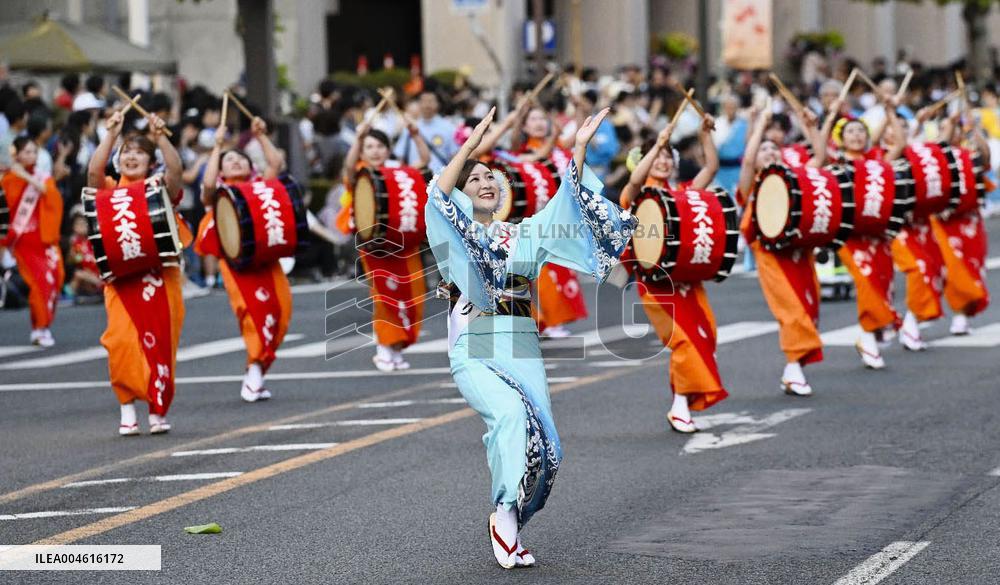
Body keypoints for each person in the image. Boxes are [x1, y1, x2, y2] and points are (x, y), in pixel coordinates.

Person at [425, 106, 636, 569]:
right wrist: (467, 149)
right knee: (508, 418)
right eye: (474, 178)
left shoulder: (524, 235)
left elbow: (569, 203)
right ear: (463, 193)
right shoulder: (454, 236)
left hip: (521, 345)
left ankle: (513, 514)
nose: (484, 182)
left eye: (490, 178)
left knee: (549, 446)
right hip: (476, 345)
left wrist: (577, 149)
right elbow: (436, 201)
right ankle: (503, 515)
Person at [619, 114, 727, 432]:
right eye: (657, 156)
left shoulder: (683, 194)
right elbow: (635, 181)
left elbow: (711, 170)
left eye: (668, 156)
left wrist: (705, 135)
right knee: (683, 341)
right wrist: (658, 143)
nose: (663, 161)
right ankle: (680, 407)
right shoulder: (636, 197)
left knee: (705, 335)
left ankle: (681, 403)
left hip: (687, 281)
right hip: (655, 284)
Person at [87, 106, 185, 436]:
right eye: (126, 152)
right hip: (122, 281)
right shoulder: (110, 190)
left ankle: (158, 408)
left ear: (149, 161)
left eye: (140, 153)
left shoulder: (158, 189)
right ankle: (126, 406)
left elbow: (176, 173)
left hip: (160, 277)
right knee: (121, 343)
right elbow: (91, 174)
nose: (132, 157)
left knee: (161, 343)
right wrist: (111, 134)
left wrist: (161, 139)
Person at [196, 114, 291, 402]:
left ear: (251, 166)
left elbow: (276, 164)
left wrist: (261, 135)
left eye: (240, 159)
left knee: (281, 312)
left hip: (266, 259)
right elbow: (208, 187)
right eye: (229, 161)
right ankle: (254, 372)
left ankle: (257, 371)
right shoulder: (220, 193)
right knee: (252, 314)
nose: (235, 162)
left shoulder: (261, 186)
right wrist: (217, 147)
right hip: (236, 264)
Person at [736, 104, 827, 396]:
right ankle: (794, 368)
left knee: (809, 310)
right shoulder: (753, 183)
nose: (770, 154)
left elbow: (821, 157)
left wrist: (811, 126)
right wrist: (760, 124)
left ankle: (793, 369)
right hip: (771, 256)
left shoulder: (794, 178)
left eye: (774, 150)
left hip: (800, 253)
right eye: (764, 151)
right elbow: (748, 161)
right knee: (791, 311)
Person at [344, 115, 431, 371]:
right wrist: (358, 138)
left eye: (379, 146)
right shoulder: (360, 174)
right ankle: (384, 347)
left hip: (405, 242)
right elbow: (348, 168)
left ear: (388, 149)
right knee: (385, 296)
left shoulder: (400, 172)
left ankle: (396, 347)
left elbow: (424, 161)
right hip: (375, 246)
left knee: (413, 295)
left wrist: (415, 134)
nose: (375, 151)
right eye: (369, 147)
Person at [826, 97, 906, 368]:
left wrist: (891, 111)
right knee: (866, 280)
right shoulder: (834, 163)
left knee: (883, 281)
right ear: (840, 138)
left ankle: (874, 330)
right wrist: (830, 115)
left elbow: (900, 145)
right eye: (850, 131)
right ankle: (868, 334)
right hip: (849, 236)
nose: (857, 135)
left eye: (861, 131)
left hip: (879, 235)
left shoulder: (876, 160)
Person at [0, 137, 65, 346]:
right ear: (16, 154)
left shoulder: (42, 177)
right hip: (23, 241)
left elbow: (53, 199)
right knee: (39, 284)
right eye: (26, 152)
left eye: (33, 152)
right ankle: (39, 328)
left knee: (56, 278)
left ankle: (45, 325)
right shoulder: (7, 180)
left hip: (45, 238)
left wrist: (28, 178)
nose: (31, 156)